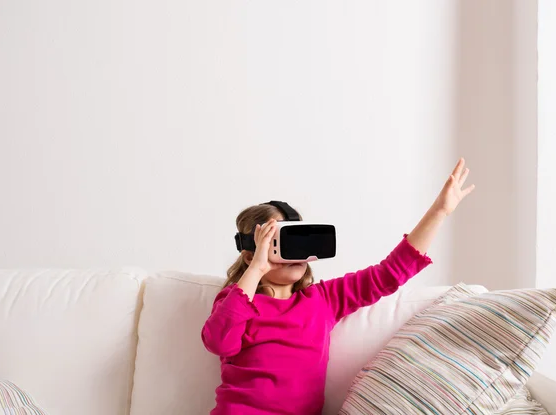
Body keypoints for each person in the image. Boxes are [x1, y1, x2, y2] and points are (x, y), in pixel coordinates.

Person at [201, 158, 475, 415]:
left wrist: (439, 211)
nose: (295, 252)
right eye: (281, 241)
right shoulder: (236, 301)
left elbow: (389, 274)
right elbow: (219, 342)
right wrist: (257, 267)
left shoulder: (322, 299)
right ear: (251, 254)